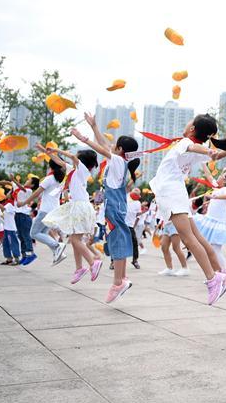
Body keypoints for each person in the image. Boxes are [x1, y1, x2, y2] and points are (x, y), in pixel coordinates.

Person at [146, 114, 226, 304]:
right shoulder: (198, 146)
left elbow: (195, 147)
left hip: (172, 192)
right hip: (178, 193)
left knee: (190, 239)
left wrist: (211, 151)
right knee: (198, 238)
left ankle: (213, 279)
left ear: (192, 128)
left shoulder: (186, 142)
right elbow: (214, 154)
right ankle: (221, 272)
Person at [71, 115, 139, 302]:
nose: (110, 148)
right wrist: (94, 127)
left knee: (117, 241)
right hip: (117, 206)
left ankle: (118, 282)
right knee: (121, 240)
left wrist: (83, 139)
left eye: (114, 146)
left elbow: (101, 147)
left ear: (120, 149)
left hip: (114, 208)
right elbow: (104, 145)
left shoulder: (118, 161)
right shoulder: (119, 161)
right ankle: (122, 277)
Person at [43, 146, 102, 283]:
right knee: (75, 240)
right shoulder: (73, 171)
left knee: (75, 240)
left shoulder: (83, 171)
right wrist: (49, 153)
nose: (75, 156)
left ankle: (93, 263)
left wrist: (57, 150)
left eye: (77, 155)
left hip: (80, 207)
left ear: (82, 160)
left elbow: (72, 158)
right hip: (78, 206)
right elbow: (60, 163)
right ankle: (79, 268)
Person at [16, 152, 68, 264]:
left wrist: (24, 202)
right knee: (43, 233)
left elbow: (36, 194)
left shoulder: (49, 178)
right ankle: (58, 252)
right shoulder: (61, 179)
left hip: (45, 210)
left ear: (50, 166)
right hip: (54, 210)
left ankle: (57, 246)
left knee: (33, 233)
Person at [193, 170, 226, 273]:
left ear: (225, 181)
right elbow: (208, 175)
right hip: (211, 221)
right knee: (211, 250)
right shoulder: (218, 188)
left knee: (215, 250)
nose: (219, 176)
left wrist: (213, 196)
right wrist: (203, 162)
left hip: (218, 224)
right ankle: (220, 273)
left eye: (222, 175)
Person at [11, 175, 36, 264]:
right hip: (18, 215)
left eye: (29, 180)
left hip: (24, 216)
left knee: (25, 236)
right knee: (21, 236)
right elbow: (16, 187)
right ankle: (24, 255)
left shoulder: (29, 190)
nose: (27, 180)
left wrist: (14, 179)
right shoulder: (20, 189)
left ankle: (31, 253)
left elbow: (22, 188)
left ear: (32, 185)